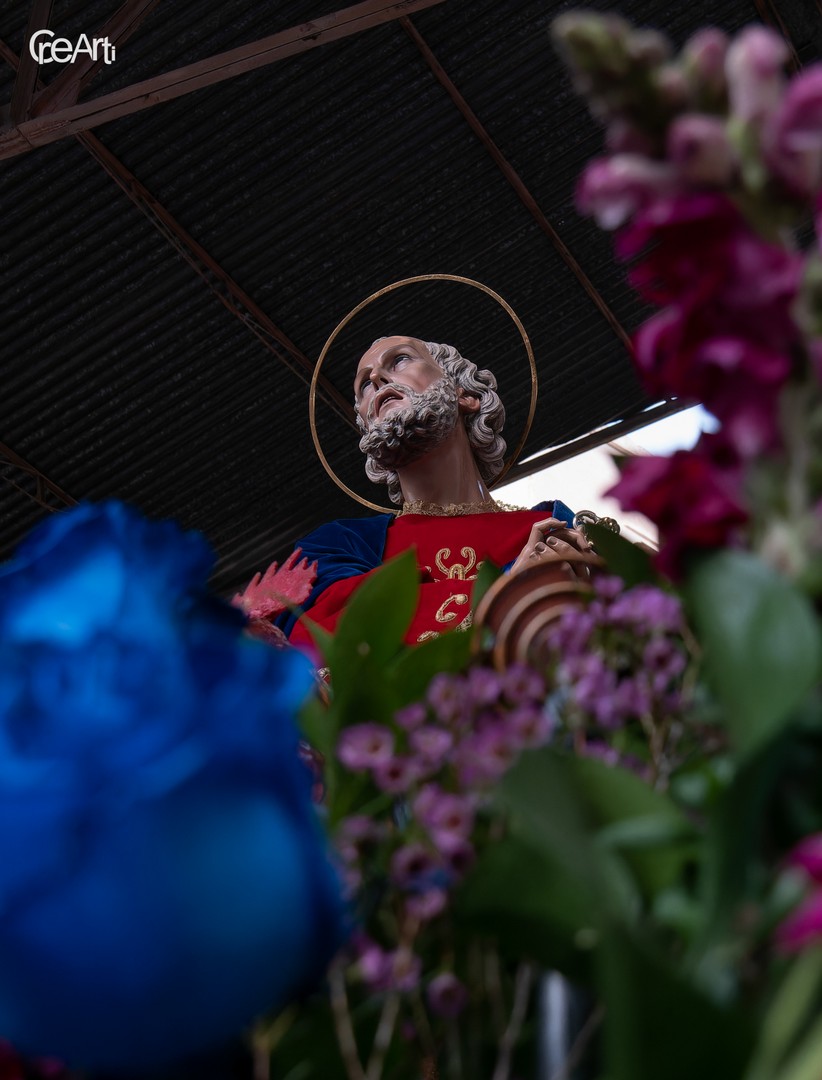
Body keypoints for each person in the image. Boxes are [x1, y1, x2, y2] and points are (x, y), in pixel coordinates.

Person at [281, 336, 596, 646]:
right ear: (366, 427)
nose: (376, 378)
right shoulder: (336, 547)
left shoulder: (551, 531)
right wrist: (509, 590)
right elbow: (312, 639)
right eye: (364, 385)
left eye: (400, 360)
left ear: (464, 394)